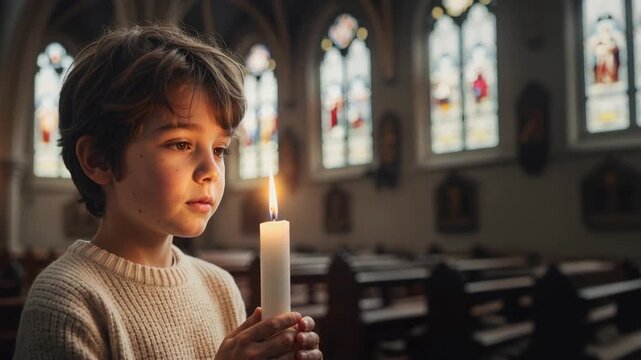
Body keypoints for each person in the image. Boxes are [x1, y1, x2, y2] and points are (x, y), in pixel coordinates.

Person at [14, 24, 322, 359]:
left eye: (219, 149)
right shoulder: (67, 301)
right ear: (98, 159)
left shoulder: (219, 287)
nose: (210, 172)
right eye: (181, 144)